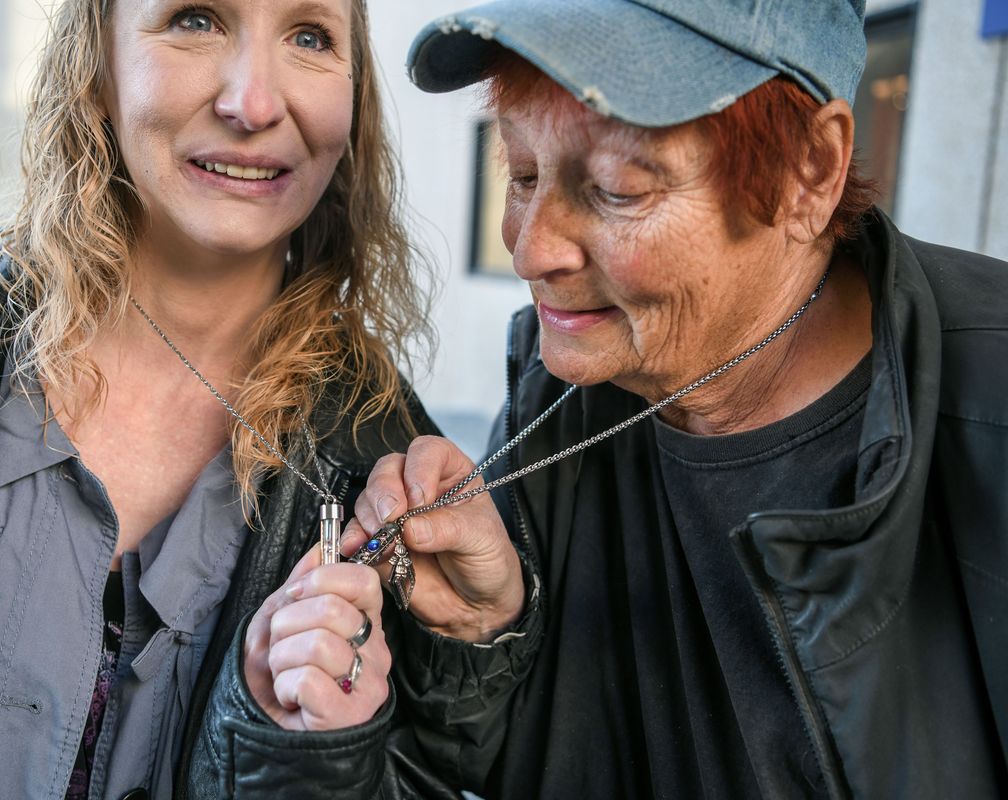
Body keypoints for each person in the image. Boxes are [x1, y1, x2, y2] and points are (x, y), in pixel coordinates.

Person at [0, 0, 472, 797]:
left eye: (309, 36)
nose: (254, 104)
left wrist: (313, 757)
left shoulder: (396, 484)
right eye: (195, 19)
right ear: (93, 65)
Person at [346, 0, 1008, 797]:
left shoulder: (987, 405)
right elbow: (511, 761)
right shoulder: (566, 384)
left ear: (811, 170)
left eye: (617, 189)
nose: (530, 248)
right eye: (520, 173)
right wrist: (487, 633)